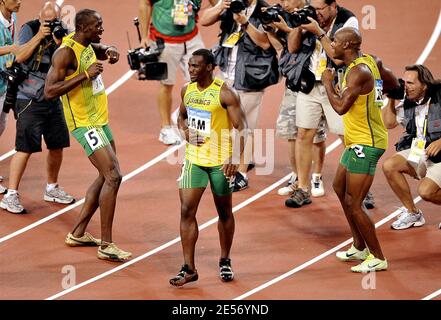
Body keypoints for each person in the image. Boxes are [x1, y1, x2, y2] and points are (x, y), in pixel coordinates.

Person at [44, 9, 131, 262]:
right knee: (114, 176)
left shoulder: (86, 43)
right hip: (84, 123)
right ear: (82, 28)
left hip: (100, 121)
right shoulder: (65, 53)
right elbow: (49, 91)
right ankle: (106, 245)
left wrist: (111, 49)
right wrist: (84, 75)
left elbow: (99, 48)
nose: (101, 28)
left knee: (106, 175)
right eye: (97, 26)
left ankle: (78, 232)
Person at [285, 0, 381, 208]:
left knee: (347, 136)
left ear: (333, 6)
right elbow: (292, 48)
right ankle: (302, 188)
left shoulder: (349, 20)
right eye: (314, 8)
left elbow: (339, 59)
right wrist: (298, 24)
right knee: (304, 134)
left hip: (336, 84)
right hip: (309, 84)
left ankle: (363, 189)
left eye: (320, 9)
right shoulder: (310, 17)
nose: (317, 13)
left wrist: (319, 32)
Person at [321, 27, 399, 272]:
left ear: (346, 46)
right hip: (357, 140)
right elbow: (393, 82)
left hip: (367, 144)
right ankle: (359, 246)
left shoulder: (359, 72)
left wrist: (327, 84)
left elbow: (342, 108)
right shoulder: (369, 61)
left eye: (334, 41)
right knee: (339, 187)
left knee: (355, 203)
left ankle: (378, 256)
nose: (331, 45)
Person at [169, 49, 247, 287]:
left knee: (224, 212)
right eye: (189, 66)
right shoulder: (187, 90)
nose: (190, 70)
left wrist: (234, 157)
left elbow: (242, 127)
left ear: (209, 67)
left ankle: (225, 259)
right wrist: (186, 133)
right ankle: (189, 268)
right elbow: (181, 117)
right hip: (194, 160)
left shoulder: (224, 93)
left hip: (220, 163)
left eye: (195, 66)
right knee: (186, 211)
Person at [0, 2, 74, 214]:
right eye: (47, 22)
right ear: (40, 18)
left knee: (57, 144)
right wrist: (40, 36)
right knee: (25, 148)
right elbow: (19, 56)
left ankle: (52, 187)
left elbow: (68, 66)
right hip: (28, 98)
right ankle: (11, 195)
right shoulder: (29, 29)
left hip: (52, 97)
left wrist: (60, 44)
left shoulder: (62, 33)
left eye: (55, 21)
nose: (51, 25)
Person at [200, 0, 279, 192]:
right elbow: (203, 20)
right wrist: (220, 6)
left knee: (246, 126)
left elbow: (266, 43)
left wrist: (245, 22)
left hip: (250, 76)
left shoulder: (264, 10)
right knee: (220, 120)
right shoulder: (231, 4)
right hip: (226, 72)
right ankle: (225, 160)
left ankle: (242, 173)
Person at [264, 0, 327, 197]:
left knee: (315, 136)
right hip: (294, 82)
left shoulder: (313, 14)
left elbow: (300, 44)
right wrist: (271, 29)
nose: (283, 3)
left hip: (314, 84)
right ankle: (298, 177)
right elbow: (283, 48)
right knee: (292, 133)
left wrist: (290, 29)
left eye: (286, 0)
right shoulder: (284, 14)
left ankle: (316, 177)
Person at [138, 0, 216, 146]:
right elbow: (145, 4)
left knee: (205, 81)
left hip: (192, 37)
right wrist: (144, 36)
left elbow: (217, 3)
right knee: (166, 84)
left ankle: (191, 120)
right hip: (165, 41)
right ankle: (166, 128)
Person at [382, 65, 441, 230]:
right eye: (404, 82)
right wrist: (392, 97)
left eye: (411, 83)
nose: (406, 86)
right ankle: (413, 213)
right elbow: (389, 123)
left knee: (426, 192)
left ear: (424, 85)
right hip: (420, 150)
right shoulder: (408, 101)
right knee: (389, 166)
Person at [0, 0, 21, 194]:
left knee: (1, 127)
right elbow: (11, 46)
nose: (19, 1)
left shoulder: (12, 17)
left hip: (4, 83)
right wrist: (13, 49)